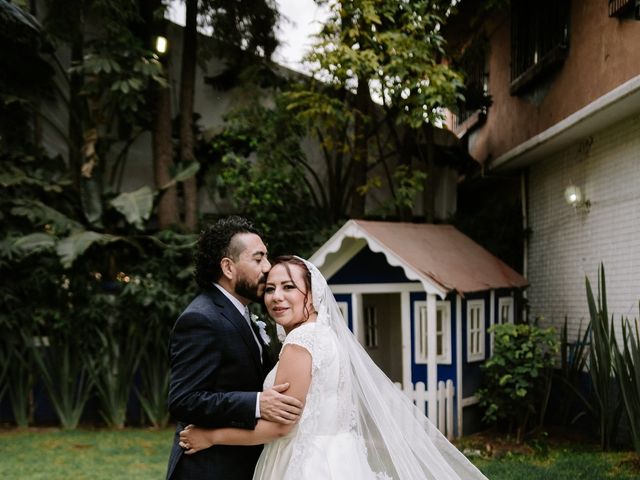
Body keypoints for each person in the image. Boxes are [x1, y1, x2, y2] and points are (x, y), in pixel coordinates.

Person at [179, 255, 489, 480]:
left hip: (306, 464)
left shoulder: (301, 342)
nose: (276, 297)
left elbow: (282, 426)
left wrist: (211, 436)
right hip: (340, 456)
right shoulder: (326, 336)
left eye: (288, 287)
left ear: (311, 294)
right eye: (270, 289)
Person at [166, 217, 304, 480]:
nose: (268, 267)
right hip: (210, 468)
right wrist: (256, 403)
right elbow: (184, 400)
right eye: (258, 258)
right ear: (228, 267)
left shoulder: (243, 314)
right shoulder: (201, 319)